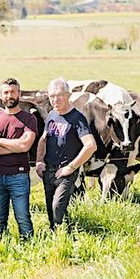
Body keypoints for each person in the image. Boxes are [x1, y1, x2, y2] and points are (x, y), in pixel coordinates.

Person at [36, 78, 97, 229]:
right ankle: (57, 239)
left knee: (57, 207)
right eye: (52, 96)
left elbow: (90, 146)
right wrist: (39, 161)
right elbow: (43, 140)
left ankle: (65, 237)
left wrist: (71, 167)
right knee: (51, 209)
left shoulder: (77, 118)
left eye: (59, 95)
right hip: (48, 170)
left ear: (68, 95)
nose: (55, 99)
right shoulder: (51, 115)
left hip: (65, 172)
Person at [0, 78, 37, 239]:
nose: (9, 95)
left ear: (19, 93)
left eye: (13, 92)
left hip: (19, 176)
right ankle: (1, 248)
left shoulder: (28, 119)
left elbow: (25, 146)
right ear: (1, 95)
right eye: (6, 92)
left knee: (23, 218)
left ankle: (28, 248)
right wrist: (15, 147)